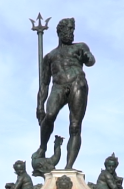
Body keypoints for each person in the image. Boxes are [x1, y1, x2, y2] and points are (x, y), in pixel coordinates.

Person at [35, 17, 95, 170]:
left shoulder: (80, 47)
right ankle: (43, 147)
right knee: (49, 116)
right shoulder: (49, 56)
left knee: (75, 126)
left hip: (77, 84)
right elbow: (44, 83)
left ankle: (69, 166)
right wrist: (39, 106)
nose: (71, 33)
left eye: (72, 30)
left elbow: (90, 61)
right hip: (58, 86)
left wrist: (88, 58)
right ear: (59, 32)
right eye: (68, 30)